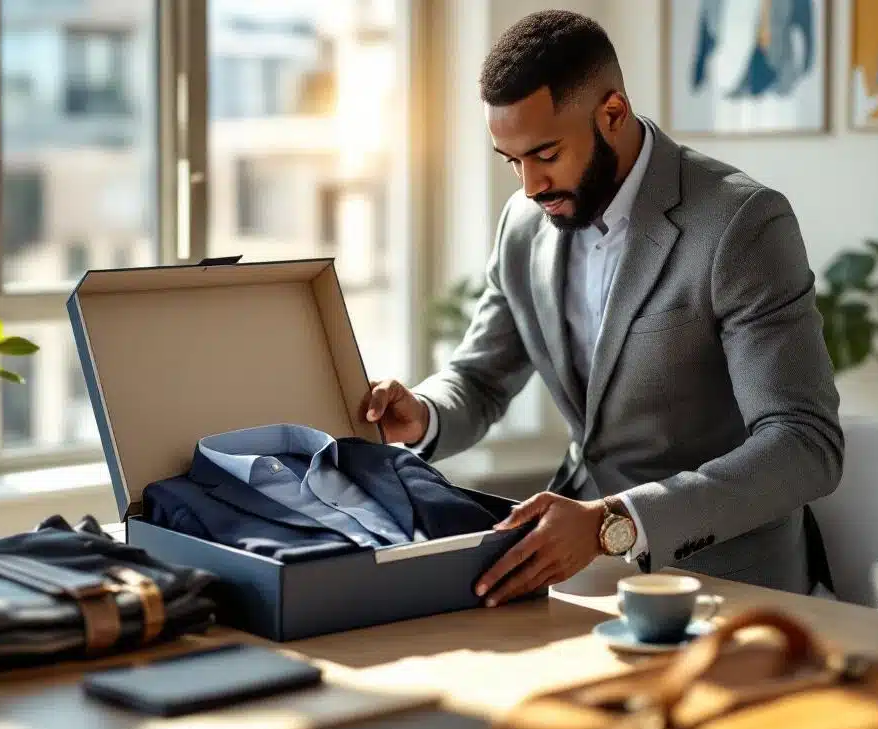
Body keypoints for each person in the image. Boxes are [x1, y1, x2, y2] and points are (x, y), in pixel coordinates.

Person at [361, 10, 843, 608]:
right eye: (511, 161)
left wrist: (614, 521)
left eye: (545, 154)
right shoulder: (524, 224)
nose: (529, 186)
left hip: (726, 582)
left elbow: (804, 445)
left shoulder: (740, 224)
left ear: (612, 113)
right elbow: (481, 378)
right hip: (577, 574)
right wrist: (425, 414)